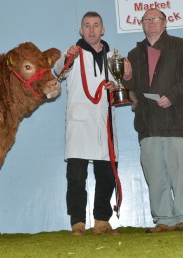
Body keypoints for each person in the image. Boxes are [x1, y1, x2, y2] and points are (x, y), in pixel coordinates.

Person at [53, 11, 120, 236]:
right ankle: (78, 223)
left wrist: (116, 86)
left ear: (103, 30)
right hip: (80, 123)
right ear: (81, 31)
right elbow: (58, 69)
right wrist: (67, 57)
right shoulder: (73, 53)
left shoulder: (113, 58)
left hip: (104, 122)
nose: (91, 30)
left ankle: (101, 221)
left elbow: (122, 82)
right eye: (87, 26)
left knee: (107, 175)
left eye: (96, 25)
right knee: (76, 176)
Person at [123, 8, 183, 233]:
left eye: (155, 19)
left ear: (165, 23)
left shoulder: (180, 46)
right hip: (147, 124)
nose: (151, 23)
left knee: (180, 174)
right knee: (155, 175)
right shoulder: (134, 54)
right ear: (142, 24)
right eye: (146, 19)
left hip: (176, 121)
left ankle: (181, 217)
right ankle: (164, 220)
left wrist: (173, 96)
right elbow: (131, 87)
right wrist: (127, 76)